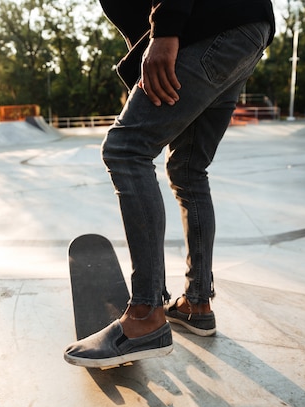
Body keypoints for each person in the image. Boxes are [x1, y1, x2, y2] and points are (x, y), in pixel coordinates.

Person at [64, 0, 275, 368]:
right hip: (242, 28)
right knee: (189, 169)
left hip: (208, 27)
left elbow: (151, 26)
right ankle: (197, 302)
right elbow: (136, 27)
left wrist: (165, 31)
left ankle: (146, 315)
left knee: (126, 149)